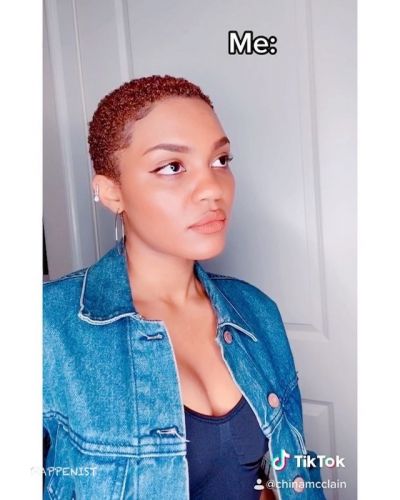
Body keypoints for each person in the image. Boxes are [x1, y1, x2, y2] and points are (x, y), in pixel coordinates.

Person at [43, 75, 325, 499]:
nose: (212, 189)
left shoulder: (256, 311)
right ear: (111, 192)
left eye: (221, 160)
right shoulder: (49, 327)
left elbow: (284, 472)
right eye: (172, 167)